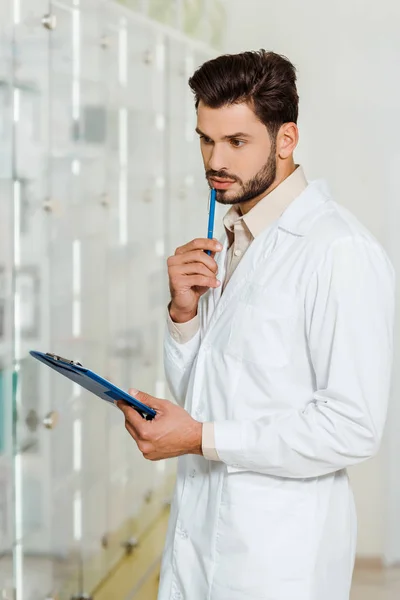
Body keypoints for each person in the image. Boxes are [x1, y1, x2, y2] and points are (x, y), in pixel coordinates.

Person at [117, 50, 395, 600]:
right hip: (200, 538)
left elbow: (352, 426)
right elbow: (204, 393)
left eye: (236, 142)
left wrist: (199, 437)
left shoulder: (338, 251)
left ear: (286, 139)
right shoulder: (229, 239)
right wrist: (183, 315)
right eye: (205, 139)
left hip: (278, 558)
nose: (214, 161)